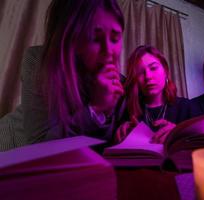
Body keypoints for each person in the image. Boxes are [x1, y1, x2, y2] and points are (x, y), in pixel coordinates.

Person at [0, 0, 125, 150]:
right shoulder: (38, 61)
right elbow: (38, 148)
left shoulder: (117, 82)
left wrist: (107, 111)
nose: (109, 50)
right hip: (10, 151)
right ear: (72, 38)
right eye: (95, 38)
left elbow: (99, 144)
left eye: (115, 38)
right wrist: (96, 109)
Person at [115, 45, 190, 144]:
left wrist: (179, 134)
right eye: (140, 72)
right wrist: (120, 137)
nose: (148, 77)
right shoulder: (127, 112)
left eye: (153, 68)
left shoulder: (186, 107)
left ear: (165, 71)